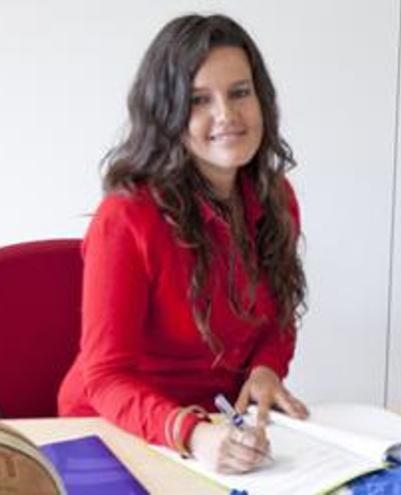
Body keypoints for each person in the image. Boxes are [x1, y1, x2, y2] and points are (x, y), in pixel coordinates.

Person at [58, 14, 308, 473]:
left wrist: (266, 368)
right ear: (166, 113)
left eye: (240, 92)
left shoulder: (276, 197)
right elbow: (106, 377)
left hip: (221, 423)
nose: (227, 116)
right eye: (198, 100)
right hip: (115, 430)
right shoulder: (127, 217)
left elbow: (278, 313)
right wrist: (190, 434)